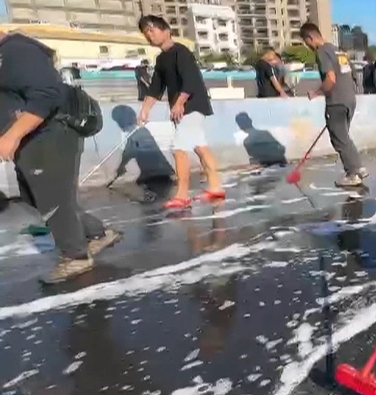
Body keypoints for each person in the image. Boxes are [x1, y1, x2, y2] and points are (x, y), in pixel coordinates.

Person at [0, 31, 121, 283]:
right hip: (32, 139)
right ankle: (97, 234)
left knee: (52, 200)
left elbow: (46, 93)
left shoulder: (15, 50)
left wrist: (11, 135)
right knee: (34, 197)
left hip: (49, 134)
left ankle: (76, 257)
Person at [137, 15, 225, 209]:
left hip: (192, 105)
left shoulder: (181, 52)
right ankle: (216, 187)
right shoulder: (161, 59)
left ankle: (182, 195)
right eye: (146, 33)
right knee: (200, 146)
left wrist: (179, 103)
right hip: (181, 107)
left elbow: (191, 80)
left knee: (179, 147)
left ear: (166, 30)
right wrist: (145, 109)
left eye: (152, 30)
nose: (149, 35)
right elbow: (156, 88)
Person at [299, 22, 368, 188]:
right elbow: (352, 77)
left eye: (306, 42)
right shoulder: (338, 51)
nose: (307, 46)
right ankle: (358, 167)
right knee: (344, 136)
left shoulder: (322, 52)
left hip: (336, 101)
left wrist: (316, 93)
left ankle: (353, 174)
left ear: (310, 37)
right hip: (349, 99)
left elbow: (330, 78)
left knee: (339, 138)